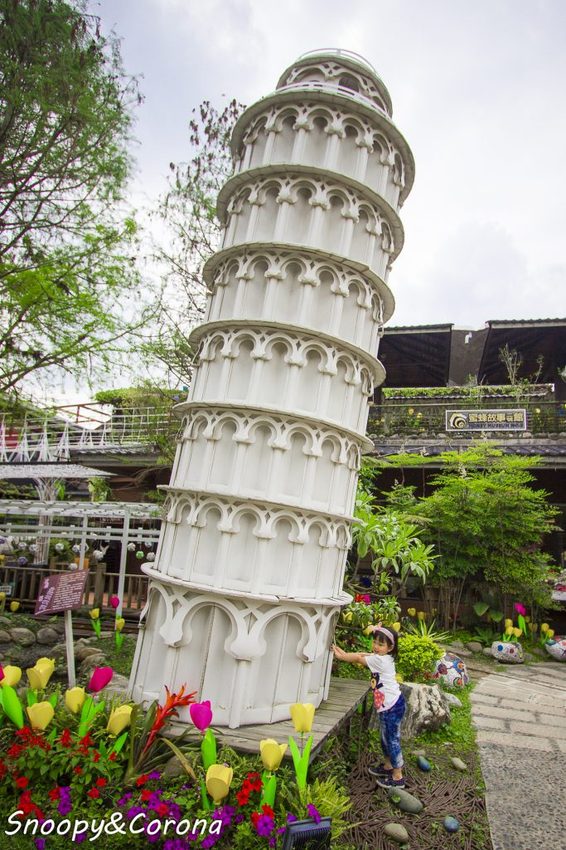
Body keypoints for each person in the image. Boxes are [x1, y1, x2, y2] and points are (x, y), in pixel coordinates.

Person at [332, 623, 406, 788]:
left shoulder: (381, 661)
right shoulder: (383, 657)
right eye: (375, 642)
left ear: (390, 647)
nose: (376, 647)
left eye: (381, 644)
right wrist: (344, 652)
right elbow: (362, 654)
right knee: (385, 738)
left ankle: (397, 776)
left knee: (392, 740)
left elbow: (359, 658)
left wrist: (342, 657)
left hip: (391, 707)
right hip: (389, 706)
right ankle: (388, 766)